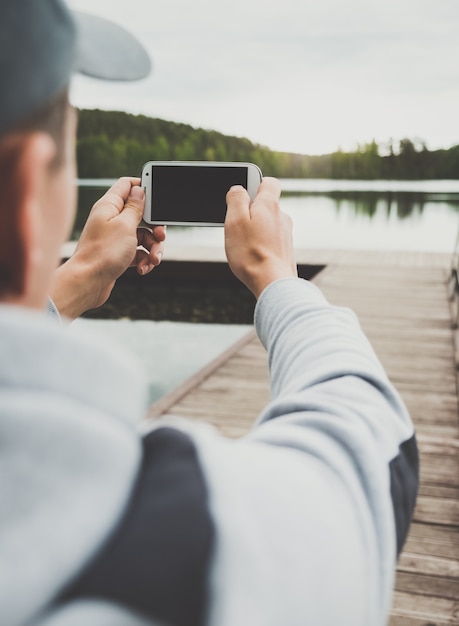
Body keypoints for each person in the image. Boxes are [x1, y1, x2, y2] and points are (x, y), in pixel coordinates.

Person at [0, 2, 418, 625]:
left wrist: (77, 281)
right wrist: (277, 278)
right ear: (29, 188)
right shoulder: (191, 530)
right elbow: (372, 446)